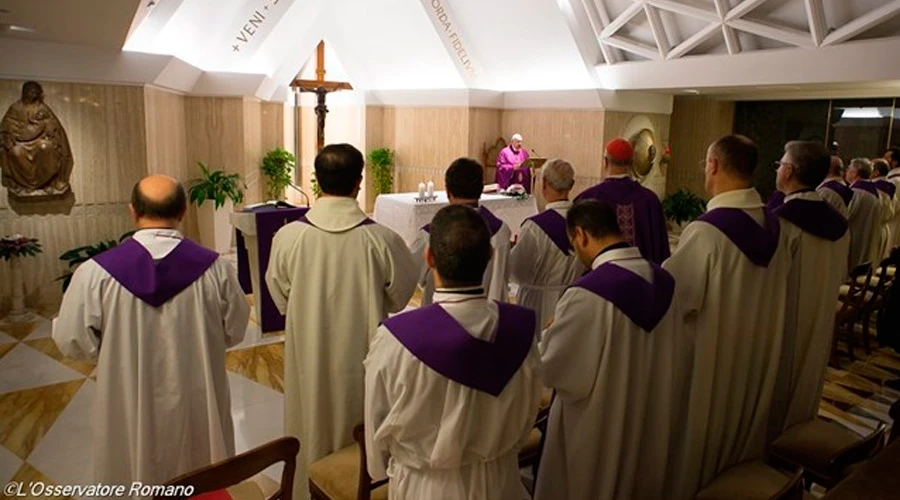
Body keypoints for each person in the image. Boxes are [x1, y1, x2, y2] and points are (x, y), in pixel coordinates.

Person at [52, 175, 249, 488]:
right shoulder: (217, 269)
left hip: (127, 400)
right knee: (201, 470)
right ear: (183, 211)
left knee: (132, 471)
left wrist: (113, 352)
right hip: (197, 402)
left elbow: (73, 341)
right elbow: (235, 329)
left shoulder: (95, 273)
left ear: (133, 211)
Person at [266, 144, 417, 500]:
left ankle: (308, 489)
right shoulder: (381, 239)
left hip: (309, 353)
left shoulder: (288, 237)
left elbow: (280, 297)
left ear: (316, 180)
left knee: (311, 422)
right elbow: (400, 296)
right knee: (360, 423)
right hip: (362, 356)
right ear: (358, 182)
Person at [365, 204, 542, 500]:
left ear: (429, 258)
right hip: (501, 479)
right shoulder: (522, 330)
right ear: (490, 255)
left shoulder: (395, 340)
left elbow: (376, 425)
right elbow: (528, 413)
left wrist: (380, 468)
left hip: (426, 486)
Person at [664, 135, 792, 497]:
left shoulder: (708, 231)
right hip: (756, 355)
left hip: (712, 357)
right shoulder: (774, 225)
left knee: (699, 445)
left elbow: (676, 298)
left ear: (714, 165)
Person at [535, 200, 684, 500]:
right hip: (650, 416)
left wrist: (552, 331)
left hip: (599, 424)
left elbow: (551, 366)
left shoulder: (587, 294)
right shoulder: (665, 281)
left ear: (581, 235)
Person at [768, 141, 850, 436]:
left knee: (779, 384)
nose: (777, 170)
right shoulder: (839, 223)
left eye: (780, 164)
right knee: (807, 379)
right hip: (822, 314)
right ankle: (799, 432)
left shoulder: (784, 221)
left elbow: (769, 278)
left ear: (789, 171)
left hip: (785, 317)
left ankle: (775, 442)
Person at [410, 158, 512, 305]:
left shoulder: (432, 234)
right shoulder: (501, 231)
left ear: (448, 191)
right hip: (492, 315)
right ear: (481, 189)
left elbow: (410, 274)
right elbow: (505, 277)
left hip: (441, 315)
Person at [509, 158, 584, 330]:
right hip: (574, 303)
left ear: (543, 184)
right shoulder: (584, 224)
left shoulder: (535, 228)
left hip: (537, 304)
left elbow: (517, 271)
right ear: (571, 185)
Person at [575, 138, 670, 264]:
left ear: (605, 161)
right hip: (643, 274)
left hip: (602, 274)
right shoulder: (650, 200)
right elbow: (661, 250)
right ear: (631, 163)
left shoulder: (589, 198)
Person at [0, 81, 74, 197]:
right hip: (20, 143)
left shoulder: (42, 108)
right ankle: (24, 184)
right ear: (24, 92)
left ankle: (47, 182)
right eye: (30, 90)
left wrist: (47, 125)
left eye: (35, 91)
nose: (33, 93)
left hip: (39, 141)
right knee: (16, 153)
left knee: (46, 147)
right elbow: (6, 126)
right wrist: (10, 136)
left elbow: (54, 125)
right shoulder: (15, 108)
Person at [846, 158, 883, 267]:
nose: (846, 172)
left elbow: (846, 216)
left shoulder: (855, 192)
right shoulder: (875, 192)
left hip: (855, 239)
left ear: (855, 173)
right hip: (868, 238)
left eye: (849, 169)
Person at [873, 158, 897, 254]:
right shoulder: (889, 186)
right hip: (885, 228)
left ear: (876, 172)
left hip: (874, 229)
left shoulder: (875, 188)